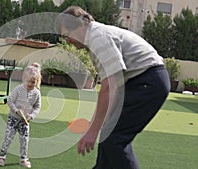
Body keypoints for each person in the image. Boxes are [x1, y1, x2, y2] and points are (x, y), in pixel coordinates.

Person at [55, 6, 170, 169]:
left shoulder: (97, 37)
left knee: (114, 140)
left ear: (81, 25)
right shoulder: (93, 37)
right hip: (140, 82)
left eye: (67, 35)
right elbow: (113, 87)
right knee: (108, 138)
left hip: (149, 82)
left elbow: (110, 86)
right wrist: (97, 124)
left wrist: (93, 130)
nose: (68, 42)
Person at [0, 63, 42, 168]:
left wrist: (31, 116)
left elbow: (37, 107)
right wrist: (16, 110)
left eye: (33, 82)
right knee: (8, 138)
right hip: (13, 119)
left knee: (24, 140)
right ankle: (1, 157)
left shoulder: (36, 93)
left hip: (24, 122)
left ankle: (23, 159)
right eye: (28, 81)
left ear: (37, 82)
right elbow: (10, 100)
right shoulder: (18, 89)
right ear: (24, 79)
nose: (30, 84)